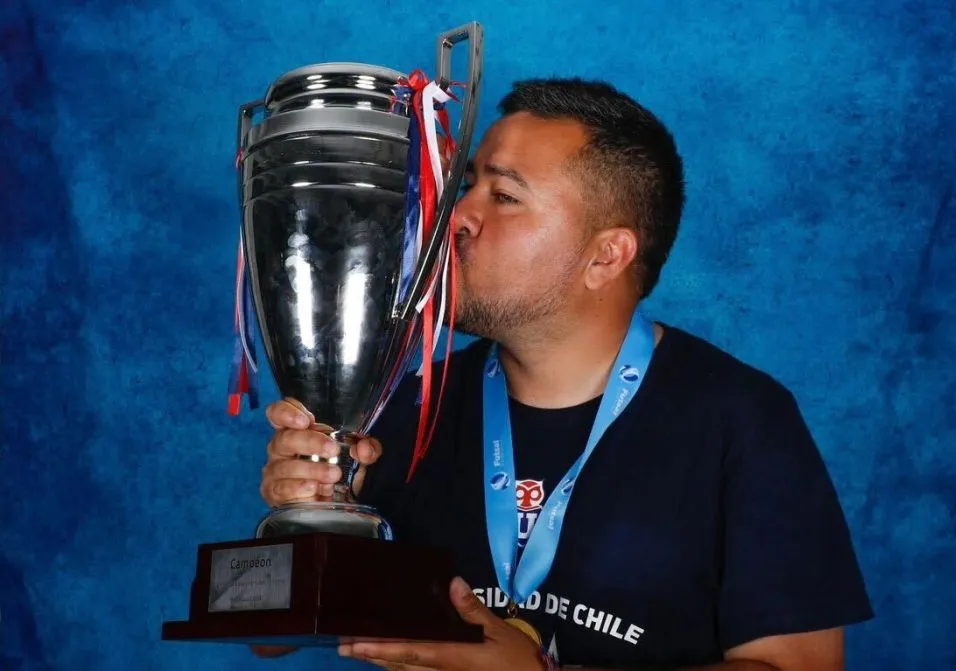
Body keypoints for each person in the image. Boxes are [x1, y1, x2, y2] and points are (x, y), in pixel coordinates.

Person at [257, 78, 874, 670]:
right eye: (467, 185)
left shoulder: (741, 421)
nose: (456, 216)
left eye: (504, 196)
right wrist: (308, 523)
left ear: (606, 255)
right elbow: (269, 639)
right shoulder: (401, 407)